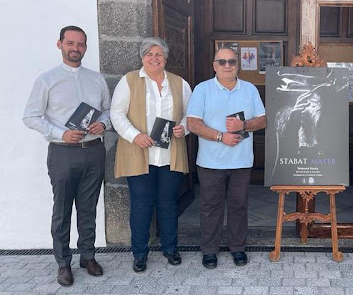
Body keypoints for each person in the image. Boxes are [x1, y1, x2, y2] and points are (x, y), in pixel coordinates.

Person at [22, 26, 111, 286]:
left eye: (81, 44)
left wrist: (103, 125)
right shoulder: (46, 80)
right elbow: (30, 116)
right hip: (63, 153)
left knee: (88, 208)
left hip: (94, 151)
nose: (76, 48)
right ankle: (63, 262)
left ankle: (88, 256)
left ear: (85, 47)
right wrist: (60, 133)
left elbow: (106, 110)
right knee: (61, 210)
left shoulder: (96, 79)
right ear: (59, 44)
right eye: (70, 43)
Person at [110, 37, 191, 273]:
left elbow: (191, 114)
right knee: (141, 205)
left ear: (166, 58)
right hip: (139, 152)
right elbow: (116, 113)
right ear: (142, 57)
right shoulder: (129, 81)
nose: (154, 58)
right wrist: (134, 135)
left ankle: (170, 248)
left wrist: (183, 128)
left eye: (158, 54)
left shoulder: (179, 83)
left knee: (168, 204)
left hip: (169, 154)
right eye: (149, 54)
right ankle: (140, 253)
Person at [187, 47, 267, 269]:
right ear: (214, 65)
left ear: (237, 65)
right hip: (211, 161)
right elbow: (193, 123)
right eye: (221, 62)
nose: (227, 66)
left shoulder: (250, 90)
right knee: (210, 207)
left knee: (238, 206)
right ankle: (209, 250)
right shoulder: (202, 90)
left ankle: (237, 248)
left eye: (231, 61)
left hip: (241, 162)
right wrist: (221, 136)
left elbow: (262, 121)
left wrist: (244, 125)